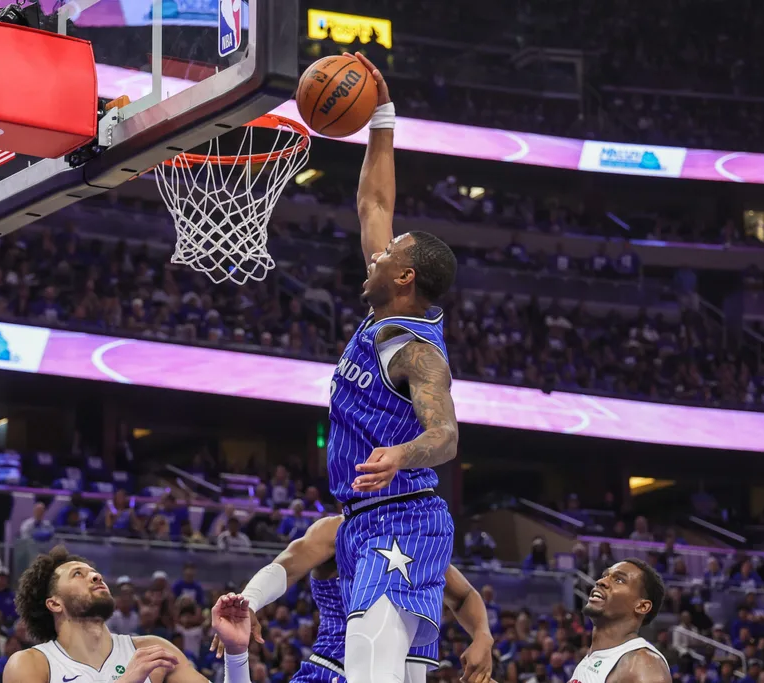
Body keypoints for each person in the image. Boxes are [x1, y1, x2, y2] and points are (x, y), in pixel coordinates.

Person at [325, 53, 459, 683]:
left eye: (390, 255)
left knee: (367, 674)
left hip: (400, 518)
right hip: (367, 521)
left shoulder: (417, 351)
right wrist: (381, 112)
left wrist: (402, 455)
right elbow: (373, 199)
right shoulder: (386, 311)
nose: (375, 255)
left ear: (404, 277)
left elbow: (446, 435)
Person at [229, 516, 491, 683]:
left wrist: (482, 636)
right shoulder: (338, 528)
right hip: (334, 670)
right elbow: (288, 564)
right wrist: (250, 599)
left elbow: (465, 595)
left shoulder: (416, 544)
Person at [2, 545, 255, 683]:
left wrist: (236, 652)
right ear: (54, 604)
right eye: (77, 574)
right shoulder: (30, 664)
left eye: (93, 571)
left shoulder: (153, 651)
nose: (95, 575)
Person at [568, 559, 670, 683]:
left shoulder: (642, 666)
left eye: (619, 580)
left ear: (641, 606)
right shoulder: (596, 655)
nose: (601, 582)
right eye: (605, 576)